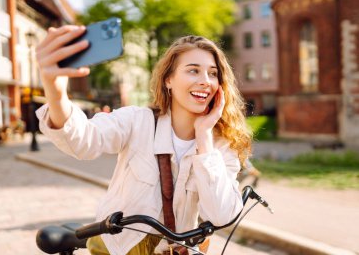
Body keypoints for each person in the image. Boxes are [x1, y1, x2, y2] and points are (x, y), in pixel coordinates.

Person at [35, 25, 252, 255]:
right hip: (119, 248)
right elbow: (83, 140)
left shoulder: (221, 144)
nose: (205, 81)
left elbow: (222, 215)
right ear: (169, 79)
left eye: (213, 73)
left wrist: (204, 136)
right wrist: (56, 93)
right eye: (193, 70)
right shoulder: (137, 121)